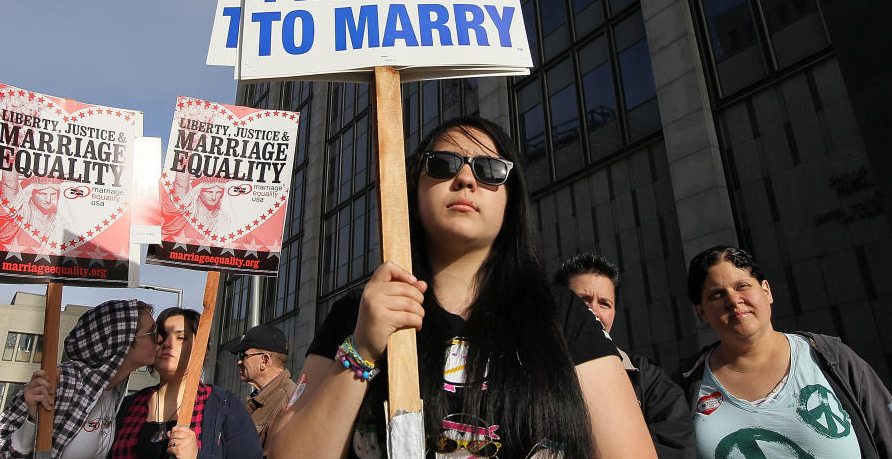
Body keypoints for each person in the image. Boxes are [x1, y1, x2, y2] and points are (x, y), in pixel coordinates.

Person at [268, 116, 656, 458]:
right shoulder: (356, 312)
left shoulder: (563, 314)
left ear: (512, 199)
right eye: (443, 165)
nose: (466, 178)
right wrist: (362, 350)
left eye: (490, 170)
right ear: (413, 193)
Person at [679, 245, 892, 458]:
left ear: (766, 291)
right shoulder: (685, 386)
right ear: (701, 312)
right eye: (717, 294)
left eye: (742, 286)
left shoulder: (832, 359)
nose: (734, 300)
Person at [0, 299, 159, 458]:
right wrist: (31, 422)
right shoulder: (64, 381)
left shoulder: (113, 393)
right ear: (120, 339)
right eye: (152, 333)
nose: (159, 339)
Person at [555, 253, 695, 458]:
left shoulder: (649, 381)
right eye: (582, 301)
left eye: (604, 303)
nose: (593, 311)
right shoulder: (523, 375)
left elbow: (676, 447)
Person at [109, 307, 261, 459]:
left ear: (201, 349)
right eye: (162, 335)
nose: (167, 343)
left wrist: (197, 456)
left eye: (181, 338)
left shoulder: (224, 406)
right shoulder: (127, 406)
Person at [227, 323, 297, 449]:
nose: (239, 362)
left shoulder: (288, 400)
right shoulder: (260, 399)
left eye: (243, 356)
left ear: (264, 360)